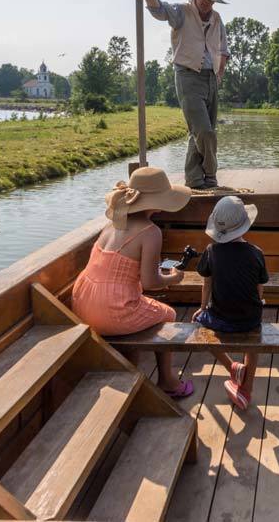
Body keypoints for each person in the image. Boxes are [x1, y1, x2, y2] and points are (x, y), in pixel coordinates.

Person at [71, 166, 194, 399]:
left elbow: (118, 269)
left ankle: (132, 364)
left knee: (140, 305)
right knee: (168, 314)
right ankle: (167, 380)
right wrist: (173, 278)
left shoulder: (112, 225)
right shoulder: (151, 231)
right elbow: (150, 282)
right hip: (112, 310)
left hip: (82, 301)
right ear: (156, 203)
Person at [130, 0, 229, 189]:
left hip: (211, 78)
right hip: (188, 77)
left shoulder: (216, 19)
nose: (206, 3)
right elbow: (158, 10)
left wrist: (219, 73)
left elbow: (223, 49)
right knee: (204, 131)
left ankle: (194, 180)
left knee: (201, 131)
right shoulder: (182, 12)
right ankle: (211, 174)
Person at [192, 196, 268, 410]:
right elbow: (259, 288)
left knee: (199, 327)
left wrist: (202, 308)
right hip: (250, 318)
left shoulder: (211, 251)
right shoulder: (256, 253)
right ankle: (247, 389)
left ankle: (231, 366)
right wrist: (259, 303)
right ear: (244, 226)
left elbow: (206, 285)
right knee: (255, 340)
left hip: (220, 317)